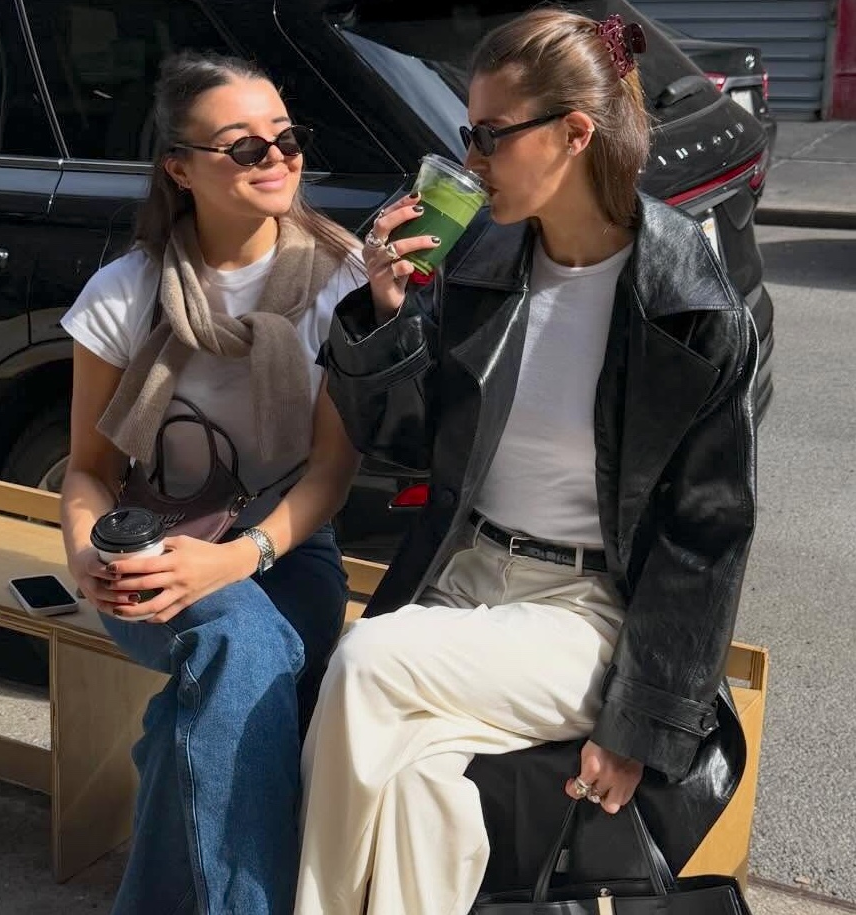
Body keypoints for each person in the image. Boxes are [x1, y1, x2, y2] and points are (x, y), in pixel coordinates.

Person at [295, 9, 757, 915]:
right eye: (468, 133)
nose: (469, 157)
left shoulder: (687, 310)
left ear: (574, 133)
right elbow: (400, 443)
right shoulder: (481, 262)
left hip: (586, 616)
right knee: (422, 791)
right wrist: (383, 317)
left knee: (366, 664)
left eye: (489, 136)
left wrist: (638, 723)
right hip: (464, 581)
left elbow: (705, 536)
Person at [59, 50, 364, 915]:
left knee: (211, 693)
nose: (275, 158)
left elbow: (333, 470)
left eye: (285, 138)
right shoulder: (126, 293)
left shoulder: (340, 279)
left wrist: (239, 558)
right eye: (243, 146)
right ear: (179, 168)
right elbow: (89, 468)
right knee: (240, 652)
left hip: (289, 548)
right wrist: (86, 550)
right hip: (150, 549)